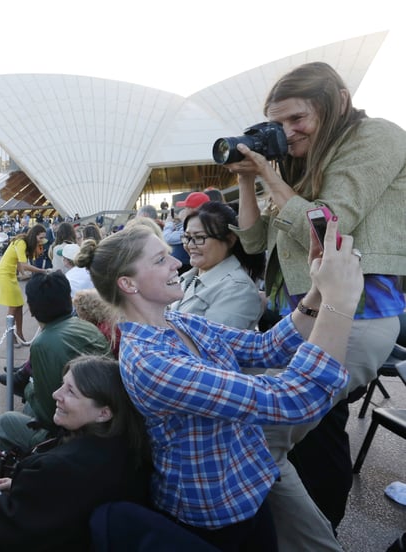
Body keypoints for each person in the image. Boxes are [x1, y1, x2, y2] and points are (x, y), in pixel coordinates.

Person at [82, 219, 361, 551]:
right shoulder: (151, 363)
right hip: (216, 513)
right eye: (160, 260)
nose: (176, 260)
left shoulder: (176, 320)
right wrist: (338, 303)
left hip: (246, 489)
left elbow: (265, 347)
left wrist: (317, 292)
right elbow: (294, 400)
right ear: (128, 284)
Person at [227, 61, 406, 540]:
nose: (286, 134)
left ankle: (315, 539)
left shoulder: (377, 137)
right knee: (303, 434)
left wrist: (272, 175)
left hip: (357, 311)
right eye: (277, 123)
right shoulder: (303, 160)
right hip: (301, 312)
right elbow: (250, 240)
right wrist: (248, 177)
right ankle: (307, 533)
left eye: (296, 120)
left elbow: (329, 223)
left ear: (338, 103)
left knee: (262, 435)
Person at [0, 356, 152, 552]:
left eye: (70, 391)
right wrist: (24, 485)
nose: (56, 394)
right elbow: (63, 501)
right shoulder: (129, 448)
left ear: (103, 413)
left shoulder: (61, 467)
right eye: (63, 385)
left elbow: (10, 533)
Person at [0, 271, 109, 459]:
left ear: (30, 308)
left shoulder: (43, 344)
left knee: (7, 421)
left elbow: (49, 415)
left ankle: (0, 476)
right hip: (101, 424)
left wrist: (29, 388)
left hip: (73, 437)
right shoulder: (86, 326)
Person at [171, 201, 265, 330]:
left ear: (230, 239)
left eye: (199, 238)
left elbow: (211, 343)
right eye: (187, 237)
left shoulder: (238, 289)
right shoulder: (186, 278)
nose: (190, 245)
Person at [0, 223, 49, 347]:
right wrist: (42, 270)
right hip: (4, 274)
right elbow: (23, 264)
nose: (41, 241)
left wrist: (24, 273)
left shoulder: (24, 242)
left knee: (18, 305)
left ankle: (19, 333)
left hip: (10, 274)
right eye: (40, 238)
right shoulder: (22, 243)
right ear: (34, 235)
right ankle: (12, 335)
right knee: (13, 306)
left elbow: (19, 262)